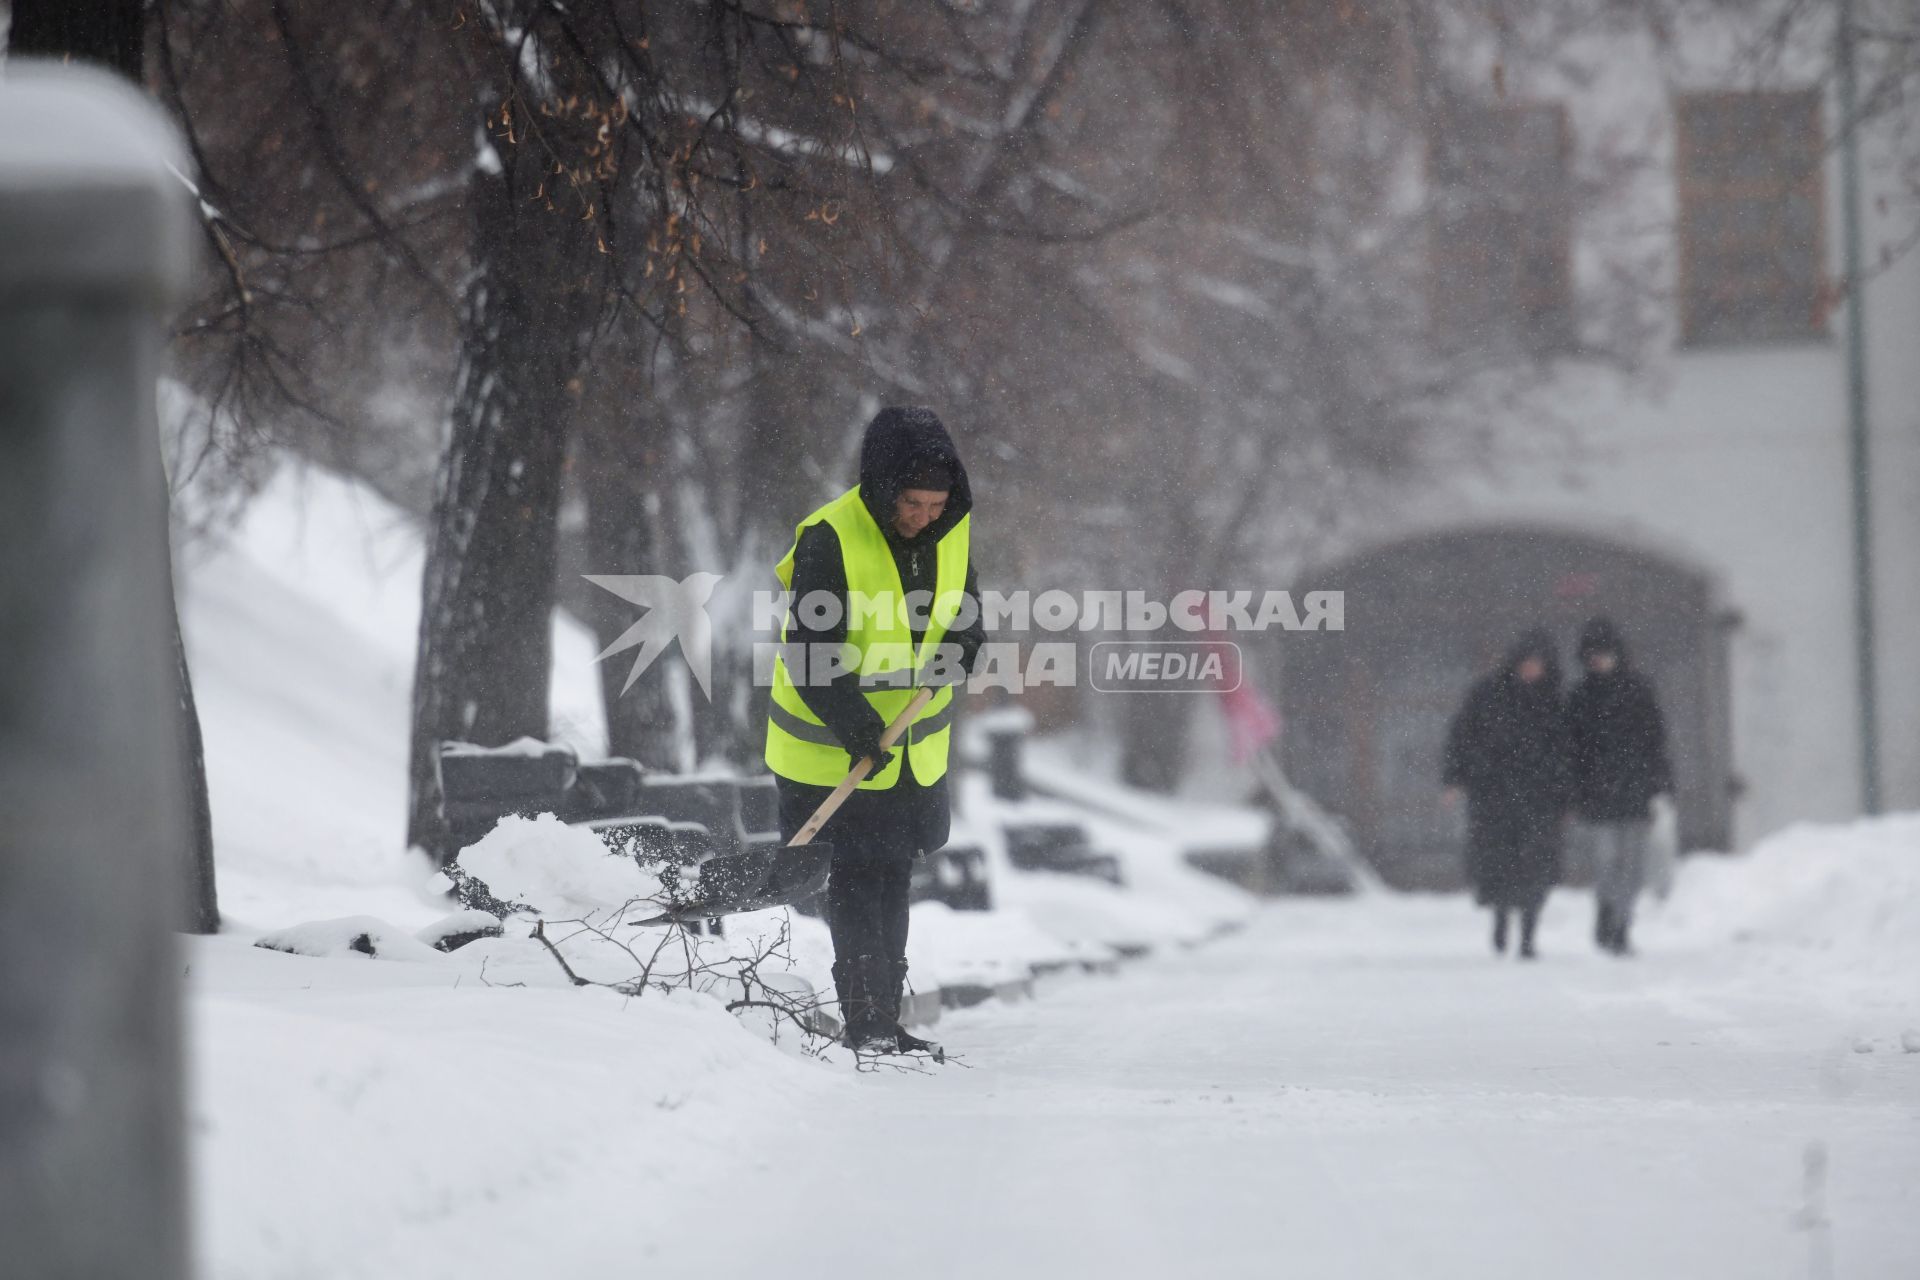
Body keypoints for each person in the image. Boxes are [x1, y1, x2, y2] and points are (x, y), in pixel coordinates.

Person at [763, 407, 984, 1054]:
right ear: (884, 487)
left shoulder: (952, 533)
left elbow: (967, 617)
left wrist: (963, 650)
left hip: (913, 753)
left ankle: (885, 1018)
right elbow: (810, 650)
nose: (924, 516)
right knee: (858, 878)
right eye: (911, 502)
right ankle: (866, 1021)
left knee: (892, 876)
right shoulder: (830, 537)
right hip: (833, 748)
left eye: (936, 504)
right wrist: (857, 725)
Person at [1442, 629, 1572, 959]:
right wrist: (1455, 779)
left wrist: (1568, 794)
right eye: (1527, 663)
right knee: (1499, 862)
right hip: (1493, 795)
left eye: (1537, 664)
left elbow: (1570, 752)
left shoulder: (1555, 702)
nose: (1531, 670)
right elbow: (1461, 737)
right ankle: (1500, 916)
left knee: (1536, 865)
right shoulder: (1487, 695)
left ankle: (1528, 934)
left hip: (1540, 797)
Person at [1565, 616, 1673, 956]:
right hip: (1598, 795)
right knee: (1608, 860)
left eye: (1604, 653)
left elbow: (1656, 741)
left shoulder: (1639, 691)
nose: (1599, 660)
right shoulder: (1580, 697)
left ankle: (1622, 924)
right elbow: (1571, 749)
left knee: (1632, 865)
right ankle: (1608, 913)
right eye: (1593, 654)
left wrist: (1661, 786)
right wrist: (1574, 791)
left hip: (1636, 790)